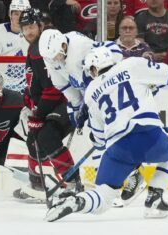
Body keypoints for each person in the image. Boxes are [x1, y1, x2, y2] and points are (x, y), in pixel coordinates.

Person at [45, 46, 168, 222]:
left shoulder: (91, 92)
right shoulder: (132, 64)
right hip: (149, 137)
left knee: (104, 197)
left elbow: (100, 140)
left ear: (94, 69)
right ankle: (155, 197)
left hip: (117, 149)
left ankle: (78, 202)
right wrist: (152, 84)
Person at [38, 29, 147, 206]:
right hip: (94, 98)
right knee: (100, 139)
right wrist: (75, 110)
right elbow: (68, 88)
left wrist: (86, 105)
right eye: (51, 58)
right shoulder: (51, 56)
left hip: (111, 92)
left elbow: (115, 52)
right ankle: (119, 180)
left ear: (64, 45)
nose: (55, 60)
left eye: (57, 55)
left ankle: (133, 175)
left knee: (113, 136)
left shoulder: (80, 47)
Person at [13, 8, 81, 200]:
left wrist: (39, 114)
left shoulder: (43, 48)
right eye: (25, 28)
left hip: (69, 100)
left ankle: (74, 182)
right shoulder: (33, 48)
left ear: (41, 25)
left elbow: (53, 88)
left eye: (32, 26)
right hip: (56, 101)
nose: (28, 31)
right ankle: (37, 184)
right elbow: (36, 83)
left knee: (47, 137)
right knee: (34, 140)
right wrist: (29, 101)